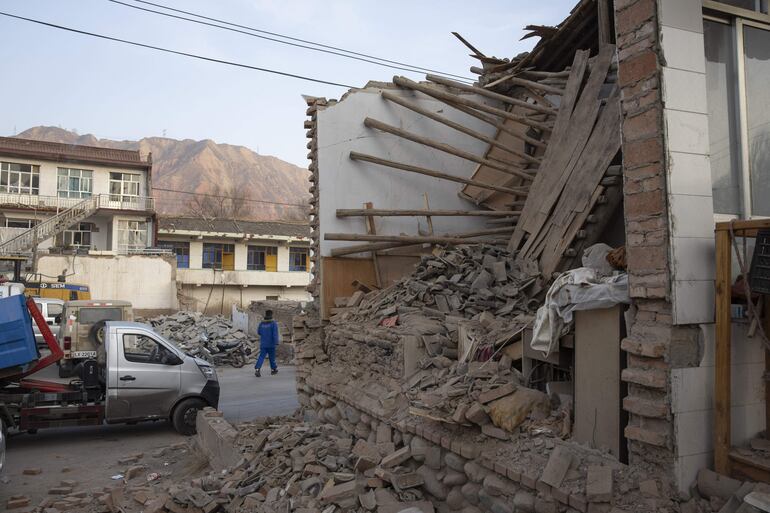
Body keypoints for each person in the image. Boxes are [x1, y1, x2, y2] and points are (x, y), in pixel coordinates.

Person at [254, 310, 279, 377]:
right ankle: (273, 370)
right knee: (272, 357)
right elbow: (275, 334)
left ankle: (257, 369)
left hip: (263, 343)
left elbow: (259, 332)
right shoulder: (273, 323)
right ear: (271, 315)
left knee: (261, 356)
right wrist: (276, 342)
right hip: (271, 344)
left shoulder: (261, 323)